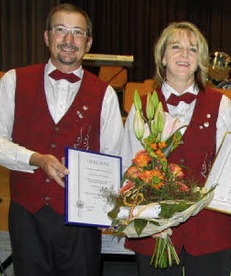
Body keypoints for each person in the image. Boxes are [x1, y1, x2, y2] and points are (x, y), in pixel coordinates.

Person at [0, 3, 123, 275]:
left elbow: (113, 157)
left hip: (81, 218)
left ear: (88, 42)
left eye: (77, 33)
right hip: (26, 214)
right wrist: (36, 159)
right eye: (60, 30)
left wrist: (107, 210)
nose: (69, 40)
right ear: (46, 36)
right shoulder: (13, 80)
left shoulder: (105, 94)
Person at [121, 22, 231, 275]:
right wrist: (148, 217)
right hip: (156, 230)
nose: (184, 55)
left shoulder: (223, 105)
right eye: (176, 47)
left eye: (193, 49)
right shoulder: (142, 107)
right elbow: (127, 167)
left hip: (210, 230)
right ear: (162, 57)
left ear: (201, 60)